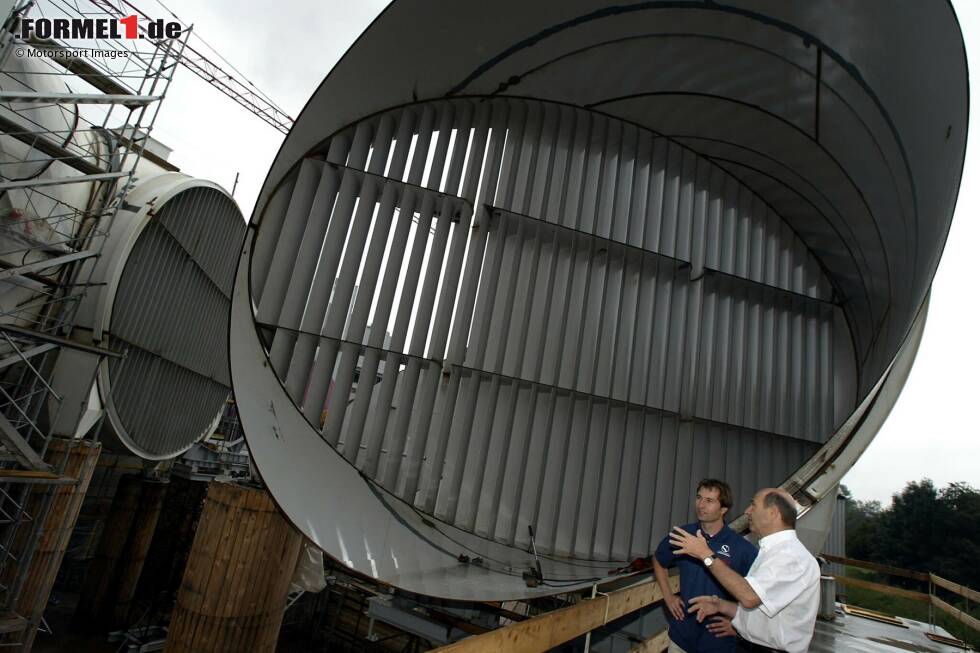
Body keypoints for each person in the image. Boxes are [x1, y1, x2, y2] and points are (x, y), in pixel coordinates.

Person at [668, 488, 820, 653]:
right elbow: (761, 614)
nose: (747, 511)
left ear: (773, 513)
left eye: (753, 505)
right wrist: (721, 605)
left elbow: (749, 597)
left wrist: (705, 554)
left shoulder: (791, 557)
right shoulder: (772, 553)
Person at [652, 479, 758, 653]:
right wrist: (668, 596)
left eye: (709, 501)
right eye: (699, 498)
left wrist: (740, 626)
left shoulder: (742, 549)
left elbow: (756, 596)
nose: (701, 505)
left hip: (718, 643)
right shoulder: (683, 536)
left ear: (724, 509)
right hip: (681, 638)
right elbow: (658, 559)